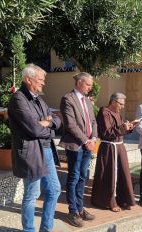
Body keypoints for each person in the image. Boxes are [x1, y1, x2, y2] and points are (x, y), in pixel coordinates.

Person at [8, 64, 61, 232]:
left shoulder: (38, 98)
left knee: (54, 190)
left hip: (46, 150)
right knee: (32, 195)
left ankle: (46, 229)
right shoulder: (18, 99)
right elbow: (33, 129)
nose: (43, 83)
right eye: (40, 80)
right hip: (31, 152)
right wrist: (46, 126)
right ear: (28, 79)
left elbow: (56, 120)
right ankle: (29, 230)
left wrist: (47, 122)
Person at [59, 72, 97, 227]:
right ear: (79, 82)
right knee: (74, 177)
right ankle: (72, 211)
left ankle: (80, 208)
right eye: (88, 84)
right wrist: (86, 140)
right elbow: (70, 124)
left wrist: (93, 138)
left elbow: (93, 121)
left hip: (88, 145)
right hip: (75, 145)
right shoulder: (68, 99)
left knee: (83, 176)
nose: (90, 88)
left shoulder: (87, 100)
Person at [91, 92, 139, 212]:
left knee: (123, 173)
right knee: (109, 175)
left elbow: (120, 130)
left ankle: (123, 199)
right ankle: (108, 201)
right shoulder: (104, 113)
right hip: (109, 148)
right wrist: (123, 127)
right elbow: (107, 132)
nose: (122, 107)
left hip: (119, 146)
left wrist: (130, 127)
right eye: (121, 104)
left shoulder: (118, 113)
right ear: (113, 102)